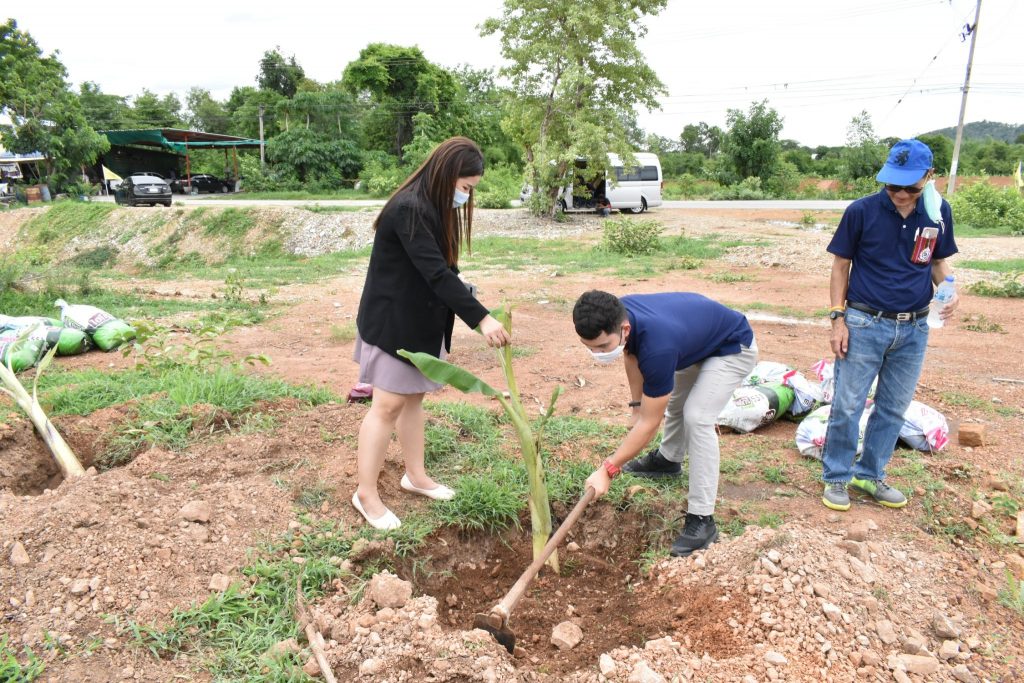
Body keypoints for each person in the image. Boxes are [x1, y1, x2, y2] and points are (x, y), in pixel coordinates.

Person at [352, 136, 511, 530]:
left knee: (413, 401)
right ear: (447, 175)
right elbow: (436, 274)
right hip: (394, 324)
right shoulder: (409, 209)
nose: (466, 196)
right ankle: (365, 494)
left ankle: (415, 476)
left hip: (421, 322)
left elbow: (442, 269)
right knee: (386, 407)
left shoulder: (432, 206)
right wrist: (482, 318)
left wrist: (466, 294)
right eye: (466, 187)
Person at [820, 138, 958, 512]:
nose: (899, 193)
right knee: (847, 405)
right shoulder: (861, 211)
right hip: (864, 322)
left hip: (914, 328)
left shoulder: (937, 213)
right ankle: (836, 477)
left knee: (893, 408)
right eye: (891, 184)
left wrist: (950, 288)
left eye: (909, 187)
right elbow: (840, 265)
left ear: (930, 177)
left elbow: (937, 263)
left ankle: (870, 474)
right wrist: (837, 318)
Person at [572, 290, 758, 557]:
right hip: (695, 342)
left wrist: (609, 469)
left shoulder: (658, 348)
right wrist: (636, 406)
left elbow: (650, 424)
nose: (596, 353)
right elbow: (631, 355)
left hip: (732, 346)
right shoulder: (619, 313)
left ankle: (702, 519)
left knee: (697, 417)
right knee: (675, 402)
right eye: (588, 347)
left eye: (602, 347)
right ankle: (668, 460)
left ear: (624, 329)